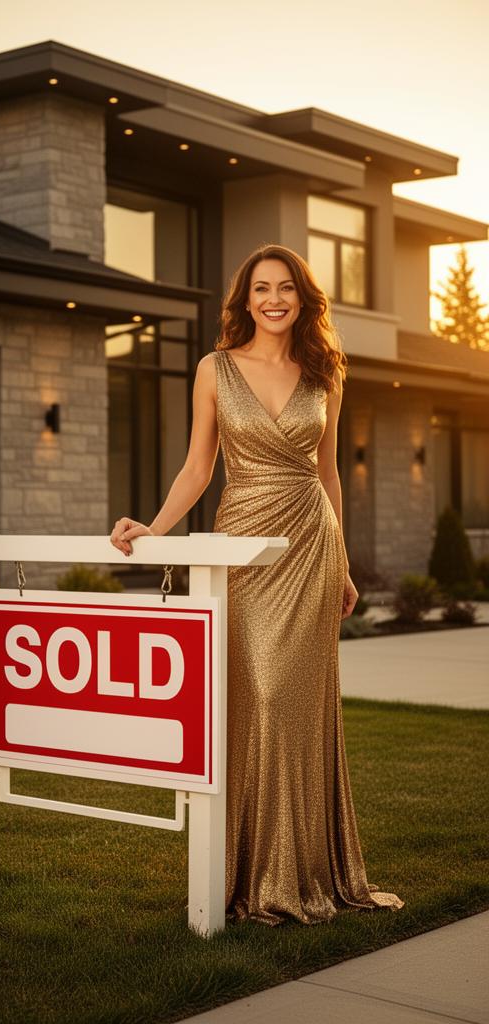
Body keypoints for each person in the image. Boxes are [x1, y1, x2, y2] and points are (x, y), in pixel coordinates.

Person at [108, 243, 404, 926]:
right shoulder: (215, 369)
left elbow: (327, 474)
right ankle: (252, 868)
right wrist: (151, 528)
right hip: (241, 544)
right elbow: (198, 467)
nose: (273, 299)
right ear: (244, 300)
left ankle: (303, 871)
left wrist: (346, 562)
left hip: (310, 542)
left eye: (286, 289)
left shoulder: (327, 371)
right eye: (260, 289)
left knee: (297, 705)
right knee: (255, 695)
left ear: (304, 298)